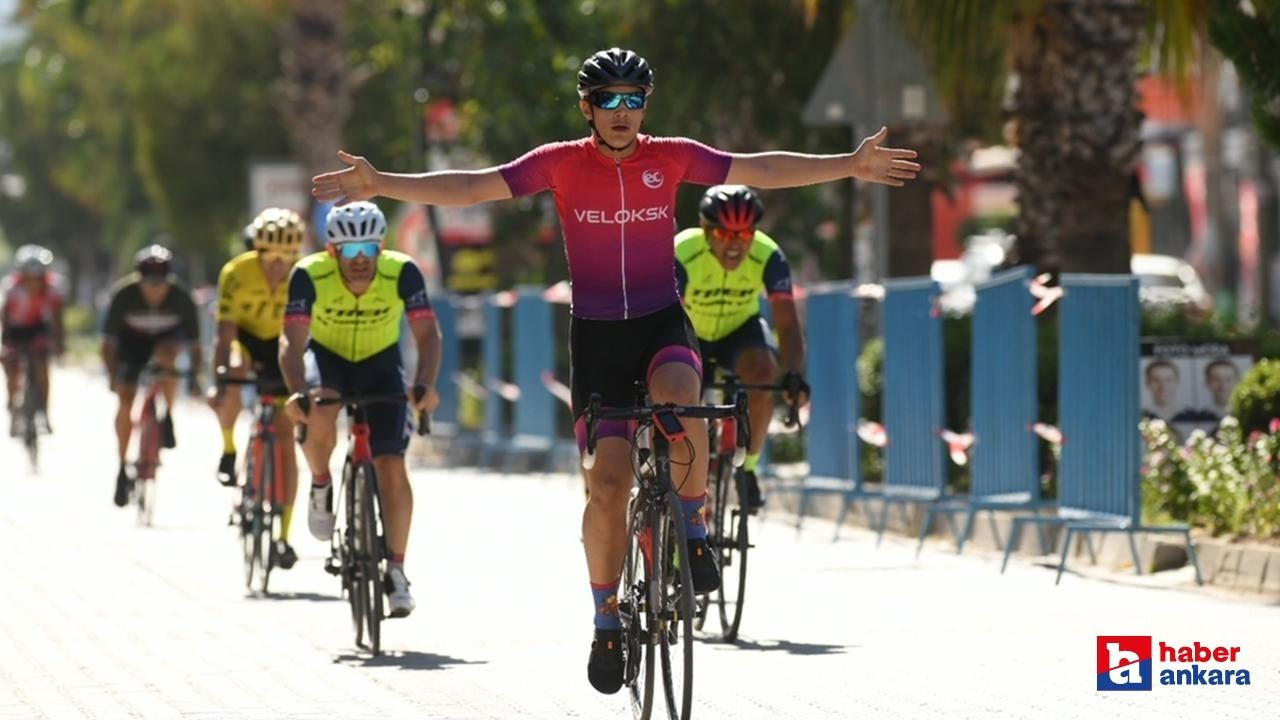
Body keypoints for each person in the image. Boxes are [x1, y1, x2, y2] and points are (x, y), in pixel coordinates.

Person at [311, 47, 919, 694]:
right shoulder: (560, 164)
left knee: (686, 400)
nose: (622, 111)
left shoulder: (674, 155)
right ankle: (606, 617)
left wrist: (849, 165)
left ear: (645, 107)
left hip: (660, 322)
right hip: (597, 338)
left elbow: (759, 169)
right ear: (588, 108)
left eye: (634, 99)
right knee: (608, 483)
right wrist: (383, 184)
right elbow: (471, 184)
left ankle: (693, 524)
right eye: (609, 100)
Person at [280, 201, 441, 618]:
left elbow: (427, 336)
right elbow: (291, 344)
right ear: (332, 252)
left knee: (392, 465)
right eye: (348, 252)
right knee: (320, 406)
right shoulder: (308, 274)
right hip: (328, 358)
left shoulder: (402, 271)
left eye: (367, 250)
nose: (358, 261)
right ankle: (320, 484)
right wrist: (297, 390)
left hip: (380, 362)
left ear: (380, 247)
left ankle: (398, 570)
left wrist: (424, 384)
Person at [674, 185, 808, 512]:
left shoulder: (769, 255)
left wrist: (793, 375)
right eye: (724, 233)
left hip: (740, 330)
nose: (735, 244)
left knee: (763, 374)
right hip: (689, 331)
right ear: (706, 231)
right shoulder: (681, 251)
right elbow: (667, 315)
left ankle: (747, 468)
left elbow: (788, 326)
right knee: (677, 388)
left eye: (745, 233)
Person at [209, 208, 306, 569]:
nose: (278, 265)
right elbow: (225, 332)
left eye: (286, 258)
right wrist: (219, 378)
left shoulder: (303, 276)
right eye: (270, 256)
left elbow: (307, 335)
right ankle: (230, 449)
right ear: (257, 251)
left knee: (285, 437)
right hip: (248, 340)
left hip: (284, 343)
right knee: (233, 370)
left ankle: (284, 536)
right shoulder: (236, 272)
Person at [101, 244, 203, 507]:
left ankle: (167, 413)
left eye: (161, 283)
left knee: (169, 360)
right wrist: (113, 376)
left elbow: (195, 345)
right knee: (125, 398)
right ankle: (122, 466)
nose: (156, 289)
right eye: (150, 283)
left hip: (166, 341)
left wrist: (192, 377)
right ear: (139, 279)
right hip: (131, 343)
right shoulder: (124, 295)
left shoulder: (181, 297)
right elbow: (109, 345)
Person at [1, 244, 65, 435]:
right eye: (29, 276)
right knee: (12, 366)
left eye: (38, 277)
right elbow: (5, 318)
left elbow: (57, 319)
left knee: (42, 367)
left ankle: (44, 411)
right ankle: (13, 405)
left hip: (38, 329)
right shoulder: (11, 288)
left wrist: (60, 343)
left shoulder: (53, 288)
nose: (33, 282)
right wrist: (5, 344)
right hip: (16, 330)